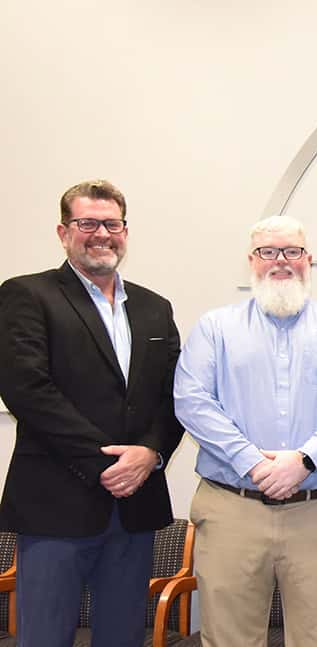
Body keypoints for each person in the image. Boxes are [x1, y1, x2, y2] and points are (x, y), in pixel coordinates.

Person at [174, 215, 317, 647]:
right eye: (269, 252)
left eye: (292, 252)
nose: (280, 261)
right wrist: (252, 462)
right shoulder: (216, 328)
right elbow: (192, 401)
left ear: (309, 260)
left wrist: (305, 460)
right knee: (230, 639)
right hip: (233, 508)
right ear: (252, 260)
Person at [0, 179, 184, 646]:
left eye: (112, 223)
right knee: (45, 637)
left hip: (134, 507)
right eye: (88, 223)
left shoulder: (153, 308)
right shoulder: (27, 295)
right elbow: (27, 390)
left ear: (125, 231)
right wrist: (105, 464)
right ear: (64, 232)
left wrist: (151, 453)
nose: (101, 233)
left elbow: (177, 395)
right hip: (54, 507)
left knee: (122, 637)